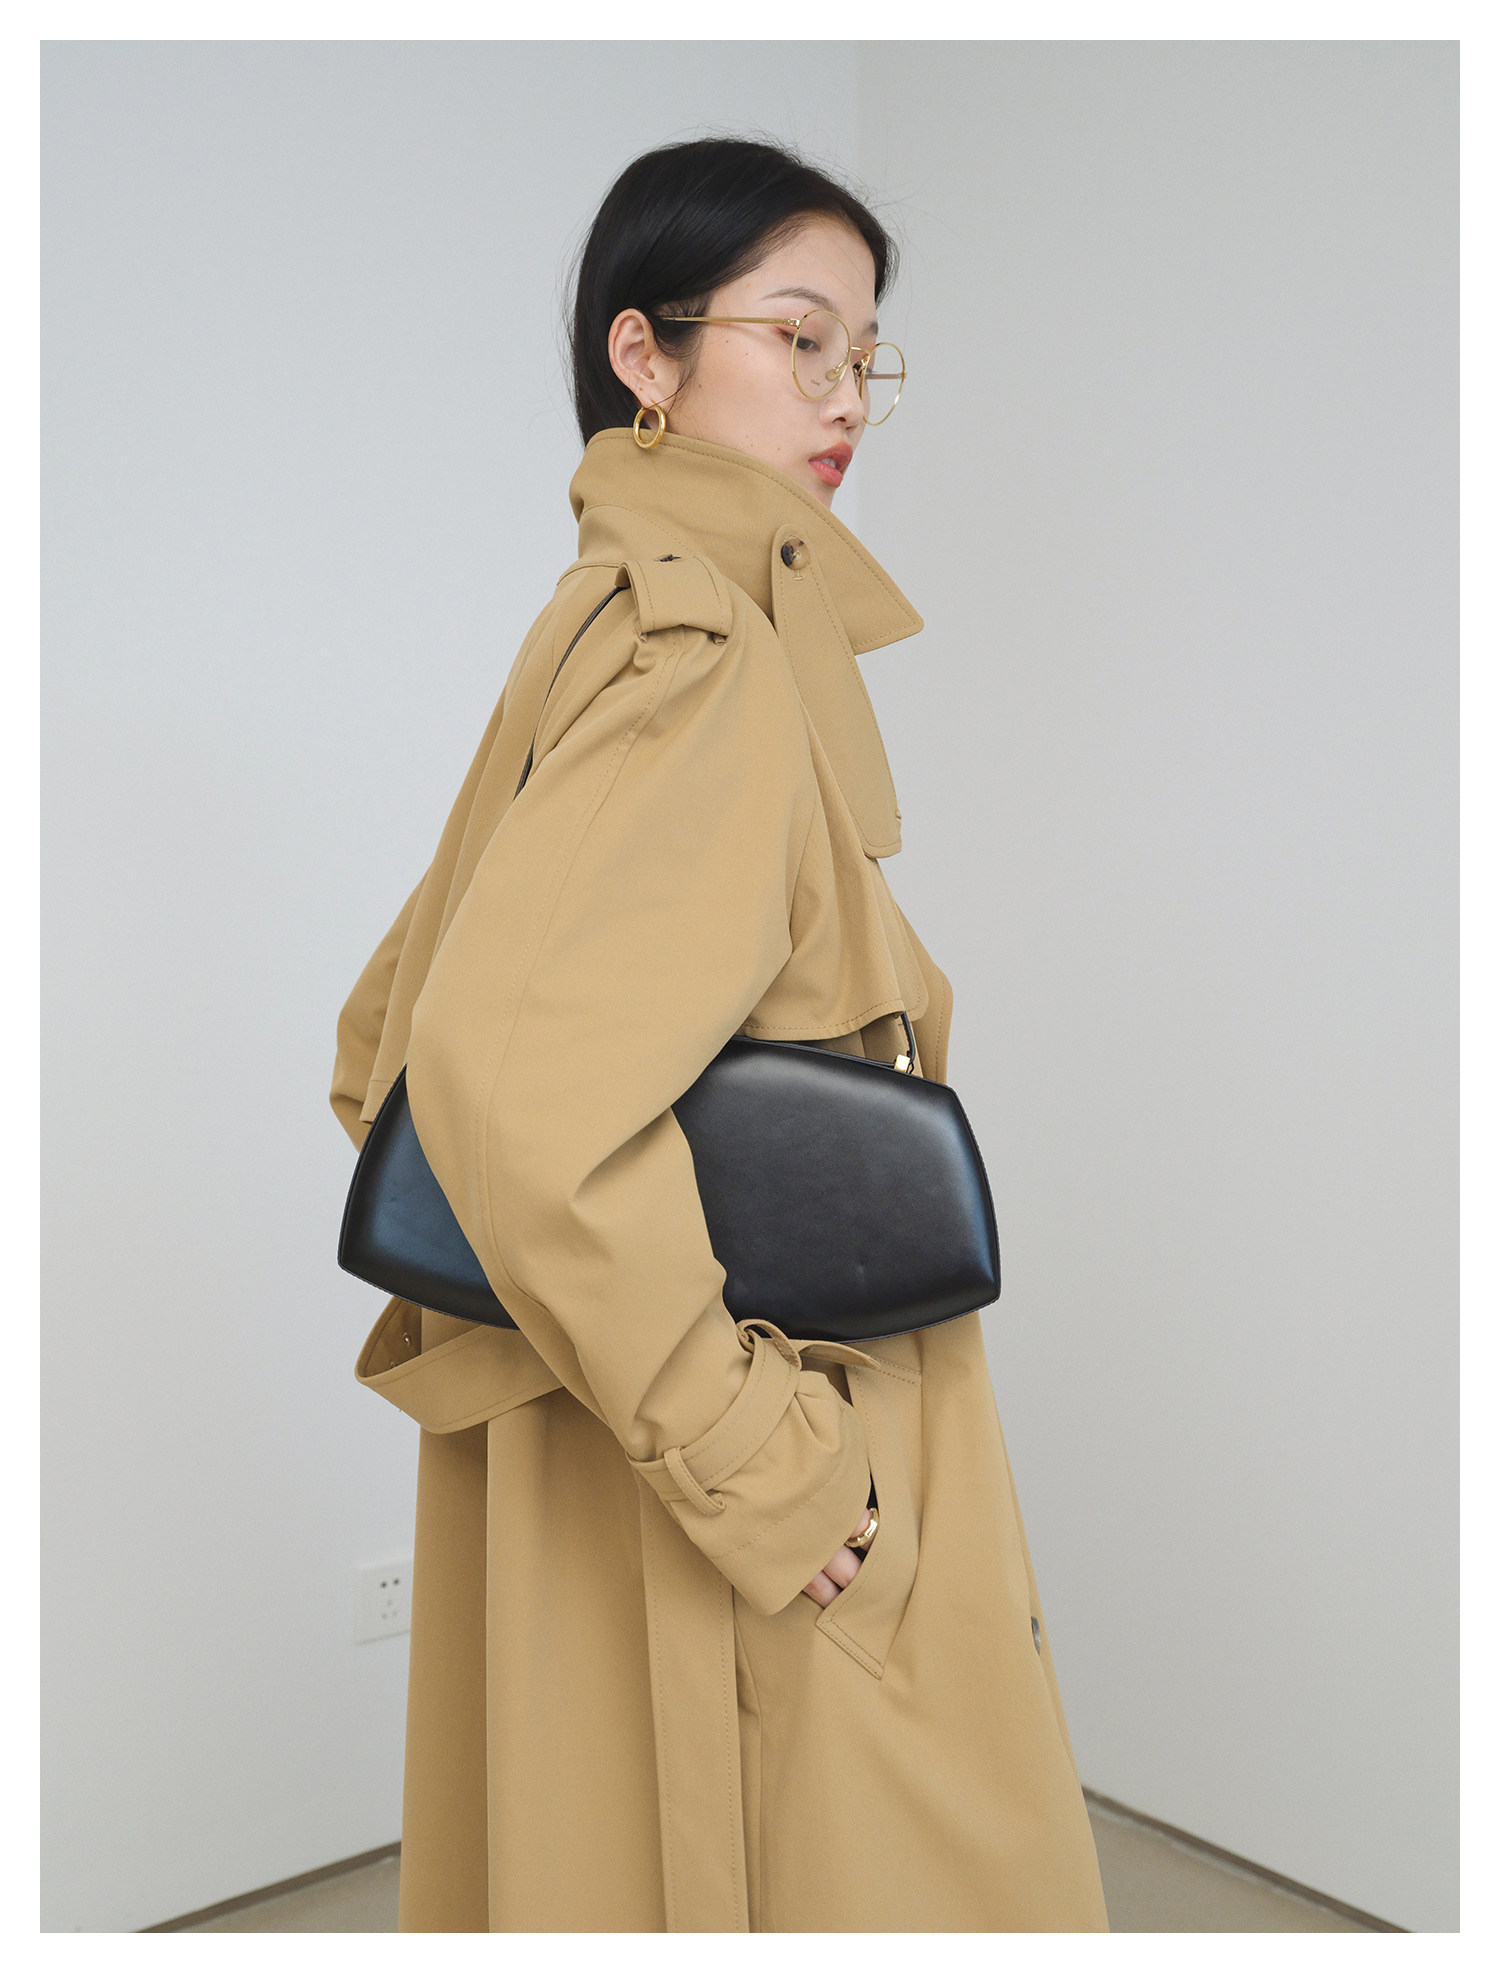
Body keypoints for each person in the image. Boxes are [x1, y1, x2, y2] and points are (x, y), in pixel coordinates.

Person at [331, 135, 1109, 1935]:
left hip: (627, 1431)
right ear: (646, 355)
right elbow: (503, 1090)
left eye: (864, 355)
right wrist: (768, 1466)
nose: (845, 397)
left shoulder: (602, 627)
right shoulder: (701, 654)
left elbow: (388, 1038)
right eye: (800, 335)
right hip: (762, 1459)